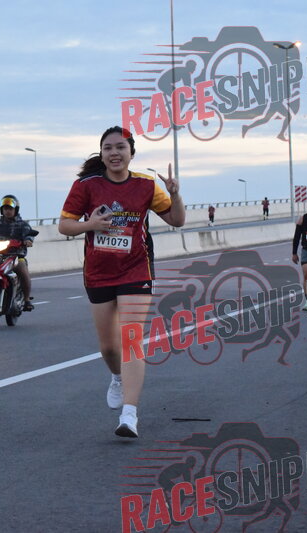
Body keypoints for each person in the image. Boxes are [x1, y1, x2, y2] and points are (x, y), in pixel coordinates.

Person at [58, 126, 185, 438]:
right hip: (98, 272)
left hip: (135, 270)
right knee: (108, 347)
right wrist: (91, 224)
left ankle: (129, 414)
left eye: (120, 147)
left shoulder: (146, 185)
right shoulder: (86, 186)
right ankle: (117, 377)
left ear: (131, 153)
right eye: (108, 148)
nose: (114, 153)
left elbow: (177, 220)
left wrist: (174, 194)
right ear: (101, 154)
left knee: (131, 339)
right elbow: (64, 225)